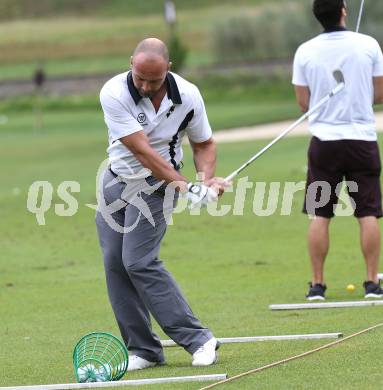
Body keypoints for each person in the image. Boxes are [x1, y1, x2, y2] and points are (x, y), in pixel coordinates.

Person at [96, 37, 228, 370]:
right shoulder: (113, 92)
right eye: (139, 77)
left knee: (138, 261)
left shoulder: (189, 96)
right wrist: (187, 187)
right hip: (115, 183)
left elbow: (204, 144)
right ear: (131, 63)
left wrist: (204, 181)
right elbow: (142, 150)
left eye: (152, 80)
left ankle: (200, 339)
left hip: (156, 189)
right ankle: (144, 349)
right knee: (115, 264)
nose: (144, 85)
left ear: (168, 70)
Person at [292, 0, 383, 300]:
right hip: (362, 141)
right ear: (343, 10)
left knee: (320, 213)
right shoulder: (368, 44)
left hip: (324, 145)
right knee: (367, 212)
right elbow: (379, 94)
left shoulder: (304, 51)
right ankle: (372, 283)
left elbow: (304, 104)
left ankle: (317, 286)